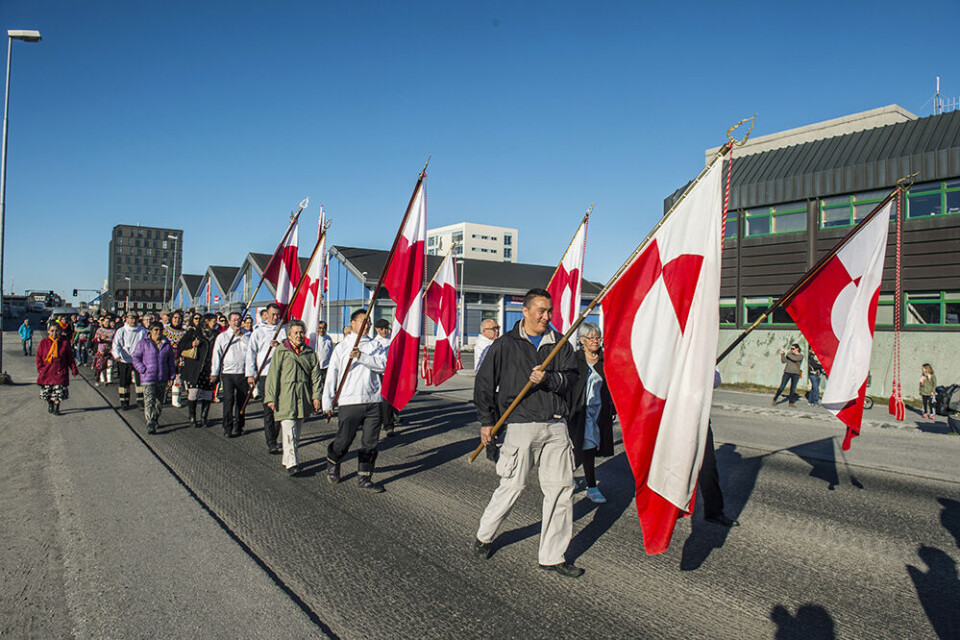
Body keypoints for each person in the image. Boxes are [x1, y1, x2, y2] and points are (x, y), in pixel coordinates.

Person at [473, 288, 582, 577]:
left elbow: (571, 379)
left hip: (557, 424)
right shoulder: (506, 344)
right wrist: (487, 422)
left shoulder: (559, 344)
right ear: (525, 311)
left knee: (561, 490)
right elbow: (484, 384)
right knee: (512, 486)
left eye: (549, 311)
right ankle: (485, 536)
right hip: (521, 423)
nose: (546, 316)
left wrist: (549, 379)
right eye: (541, 311)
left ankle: (552, 556)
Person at [322, 309, 389, 492]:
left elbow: (383, 366)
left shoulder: (376, 346)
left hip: (373, 400)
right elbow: (332, 375)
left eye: (368, 322)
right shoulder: (342, 347)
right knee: (344, 440)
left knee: (370, 442)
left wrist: (362, 357)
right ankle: (333, 461)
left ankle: (365, 477)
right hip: (349, 401)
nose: (366, 325)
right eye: (362, 321)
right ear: (352, 323)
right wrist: (327, 403)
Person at [265, 320, 323, 476]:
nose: (299, 335)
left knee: (296, 431)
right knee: (289, 429)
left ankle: (287, 458)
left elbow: (316, 376)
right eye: (296, 332)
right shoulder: (281, 351)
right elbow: (273, 375)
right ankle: (293, 463)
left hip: (302, 396)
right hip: (285, 396)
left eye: (301, 332)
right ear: (289, 334)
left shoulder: (310, 352)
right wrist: (271, 397)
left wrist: (316, 396)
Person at [567, 322, 614, 504]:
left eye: (598, 337)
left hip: (598, 414)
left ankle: (573, 479)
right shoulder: (574, 360)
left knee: (589, 448)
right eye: (591, 338)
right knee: (583, 448)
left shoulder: (605, 360)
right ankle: (591, 486)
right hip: (578, 412)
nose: (595, 341)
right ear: (582, 341)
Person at [698, 370, 739, 527]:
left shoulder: (704, 352)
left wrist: (706, 366)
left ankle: (714, 511)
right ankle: (662, 513)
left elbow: (716, 382)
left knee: (708, 466)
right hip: (671, 415)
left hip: (699, 417)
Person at [246, 303, 287, 454]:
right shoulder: (258, 331)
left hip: (281, 373)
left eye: (277, 315)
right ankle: (271, 441)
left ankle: (276, 436)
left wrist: (280, 345)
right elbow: (251, 353)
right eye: (272, 314)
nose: (275, 317)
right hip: (265, 373)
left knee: (280, 408)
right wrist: (250, 373)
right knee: (268, 408)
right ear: (266, 315)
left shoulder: (283, 331)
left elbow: (289, 348)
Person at [211, 312, 251, 437]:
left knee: (241, 401)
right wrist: (214, 372)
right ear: (229, 322)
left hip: (242, 373)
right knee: (228, 400)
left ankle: (239, 425)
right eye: (234, 320)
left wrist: (241, 336)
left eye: (239, 320)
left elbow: (251, 351)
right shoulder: (222, 337)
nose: (236, 322)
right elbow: (216, 355)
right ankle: (227, 426)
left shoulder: (248, 335)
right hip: (227, 373)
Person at [131, 321, 176, 434]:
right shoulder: (143, 343)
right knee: (149, 400)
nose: (158, 332)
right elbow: (136, 358)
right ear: (150, 331)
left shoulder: (166, 344)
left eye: (160, 330)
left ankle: (155, 418)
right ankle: (150, 422)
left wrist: (171, 376)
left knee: (159, 402)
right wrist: (142, 369)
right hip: (148, 377)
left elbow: (171, 360)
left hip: (162, 376)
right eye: (156, 330)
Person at [179, 313, 218, 428]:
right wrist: (191, 344)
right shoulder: (194, 332)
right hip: (195, 367)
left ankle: (204, 417)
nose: (215, 323)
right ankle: (192, 416)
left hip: (209, 368)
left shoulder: (216, 335)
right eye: (213, 321)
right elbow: (181, 345)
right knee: (193, 393)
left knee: (207, 393)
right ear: (206, 321)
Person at [36, 323, 79, 416]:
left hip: (60, 371)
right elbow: (39, 357)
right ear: (48, 331)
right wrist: (40, 369)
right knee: (47, 393)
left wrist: (73, 369)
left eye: (56, 331)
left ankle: (56, 408)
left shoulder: (64, 343)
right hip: (46, 372)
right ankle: (50, 403)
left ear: (60, 332)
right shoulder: (43, 343)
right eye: (52, 331)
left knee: (58, 392)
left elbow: (69, 358)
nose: (54, 333)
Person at [112, 312, 147, 410]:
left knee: (139, 381)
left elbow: (146, 343)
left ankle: (140, 401)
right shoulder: (121, 331)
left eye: (135, 318)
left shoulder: (142, 330)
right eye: (131, 318)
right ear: (126, 319)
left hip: (138, 359)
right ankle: (124, 402)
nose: (133, 321)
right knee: (124, 381)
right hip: (124, 360)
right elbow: (116, 344)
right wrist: (117, 355)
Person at [373, 318, 398, 437]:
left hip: (395, 372)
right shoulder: (375, 342)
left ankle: (393, 415)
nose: (384, 331)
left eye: (386, 328)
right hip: (382, 374)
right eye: (381, 329)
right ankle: (388, 425)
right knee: (385, 400)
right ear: (377, 329)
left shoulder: (393, 339)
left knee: (394, 397)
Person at [163, 310, 188, 407]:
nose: (177, 320)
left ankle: (176, 399)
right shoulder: (165, 330)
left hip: (180, 358)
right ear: (171, 319)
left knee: (178, 379)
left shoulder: (184, 332)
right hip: (166, 357)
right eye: (175, 318)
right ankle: (163, 396)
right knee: (165, 378)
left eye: (179, 318)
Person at [92, 316, 116, 386]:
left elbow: (116, 340)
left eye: (108, 322)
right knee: (102, 364)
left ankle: (109, 379)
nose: (107, 323)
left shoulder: (113, 330)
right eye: (105, 322)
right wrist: (101, 338)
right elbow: (95, 339)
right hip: (102, 348)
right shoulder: (100, 330)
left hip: (110, 348)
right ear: (103, 322)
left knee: (110, 364)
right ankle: (102, 379)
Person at [314, 320, 334, 390]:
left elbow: (331, 353)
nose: (322, 330)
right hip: (316, 367)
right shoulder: (315, 339)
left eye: (323, 328)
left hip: (326, 367)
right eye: (320, 328)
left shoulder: (328, 339)